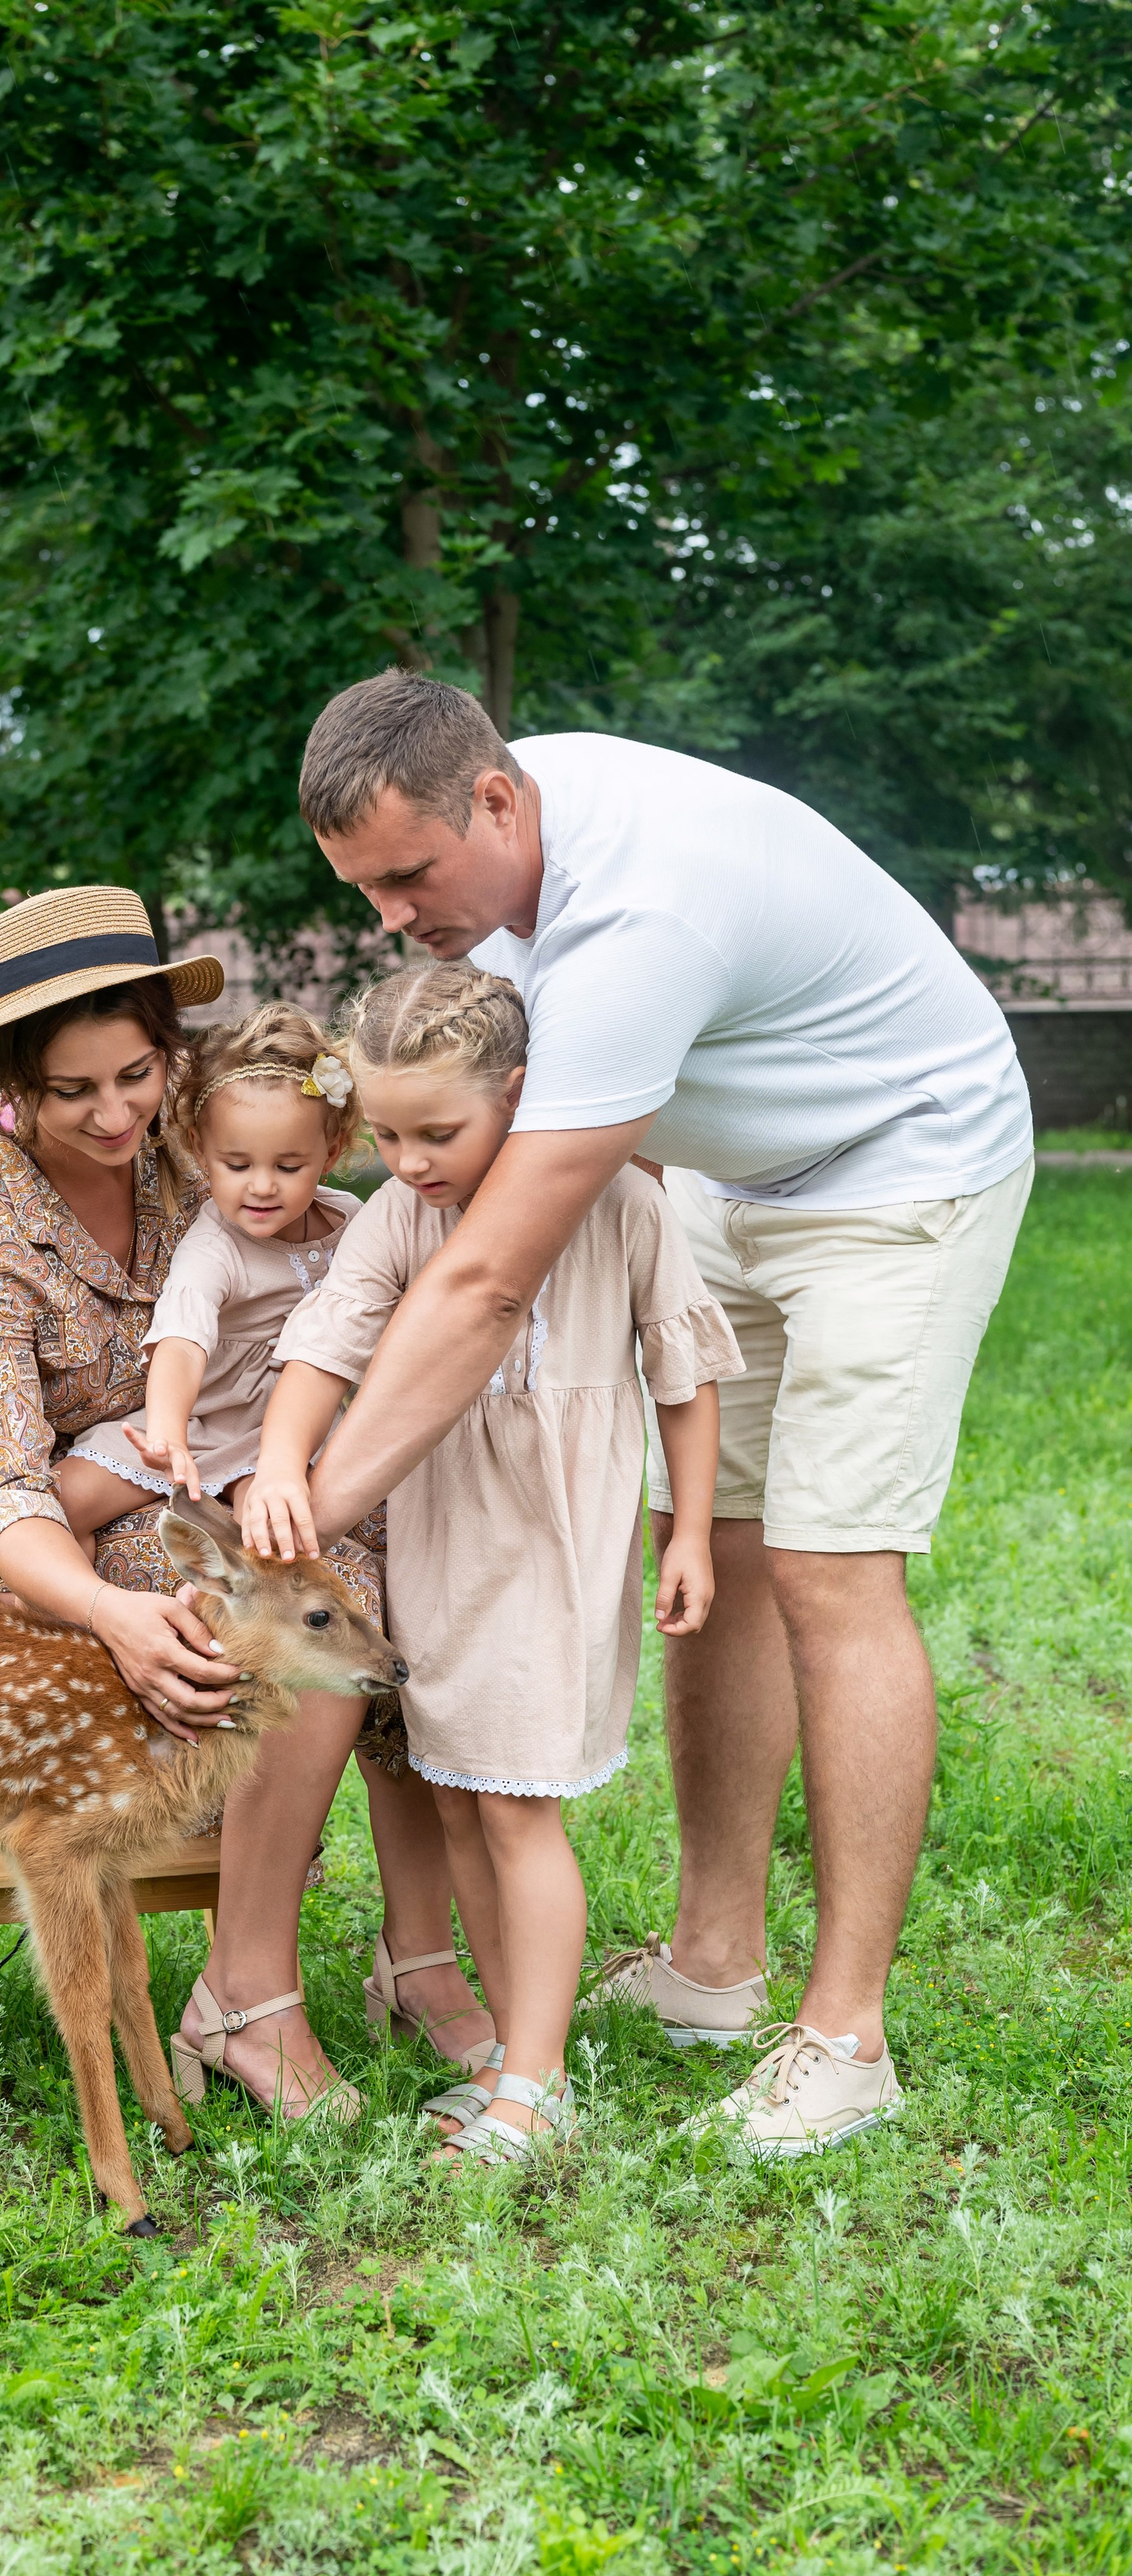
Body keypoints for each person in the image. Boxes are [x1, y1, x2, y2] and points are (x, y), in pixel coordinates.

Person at [285, 672, 1035, 2156]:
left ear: (493, 802)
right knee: (731, 1559)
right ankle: (709, 1965)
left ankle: (843, 2040)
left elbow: (490, 1275)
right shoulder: (506, 806)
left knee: (829, 1566)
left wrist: (309, 1508)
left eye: (407, 879)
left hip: (903, 1167)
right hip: (732, 1178)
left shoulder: (634, 924)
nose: (391, 918)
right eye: (362, 891)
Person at [0, 884, 492, 2118]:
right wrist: (117, 1615)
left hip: (205, 1477)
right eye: (73, 1090)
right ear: (13, 1082)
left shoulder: (202, 1142)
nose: (116, 1113)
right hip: (33, 1539)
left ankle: (417, 1949)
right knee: (319, 1603)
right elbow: (3, 1488)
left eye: (136, 1072)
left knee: (404, 1552)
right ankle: (250, 1995)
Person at [244, 961, 740, 2165]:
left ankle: (534, 2083)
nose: (409, 1159)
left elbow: (688, 1374)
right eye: (389, 1132)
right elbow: (327, 1337)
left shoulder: (618, 1204)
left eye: (438, 1131)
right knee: (461, 1797)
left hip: (549, 1554)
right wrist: (277, 1457)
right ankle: (523, 2049)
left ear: (518, 1096)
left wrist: (687, 1530)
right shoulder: (404, 1217)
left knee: (516, 1811)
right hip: (441, 1548)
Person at [56, 1002, 365, 1535]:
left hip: (290, 1433)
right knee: (64, 1502)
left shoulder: (356, 1224)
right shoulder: (216, 1246)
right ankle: (42, 1603)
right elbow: (183, 1339)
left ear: (331, 1152)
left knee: (269, 1528)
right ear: (201, 1151)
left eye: (288, 1167)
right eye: (237, 1165)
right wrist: (167, 1431)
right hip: (201, 1423)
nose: (262, 1186)